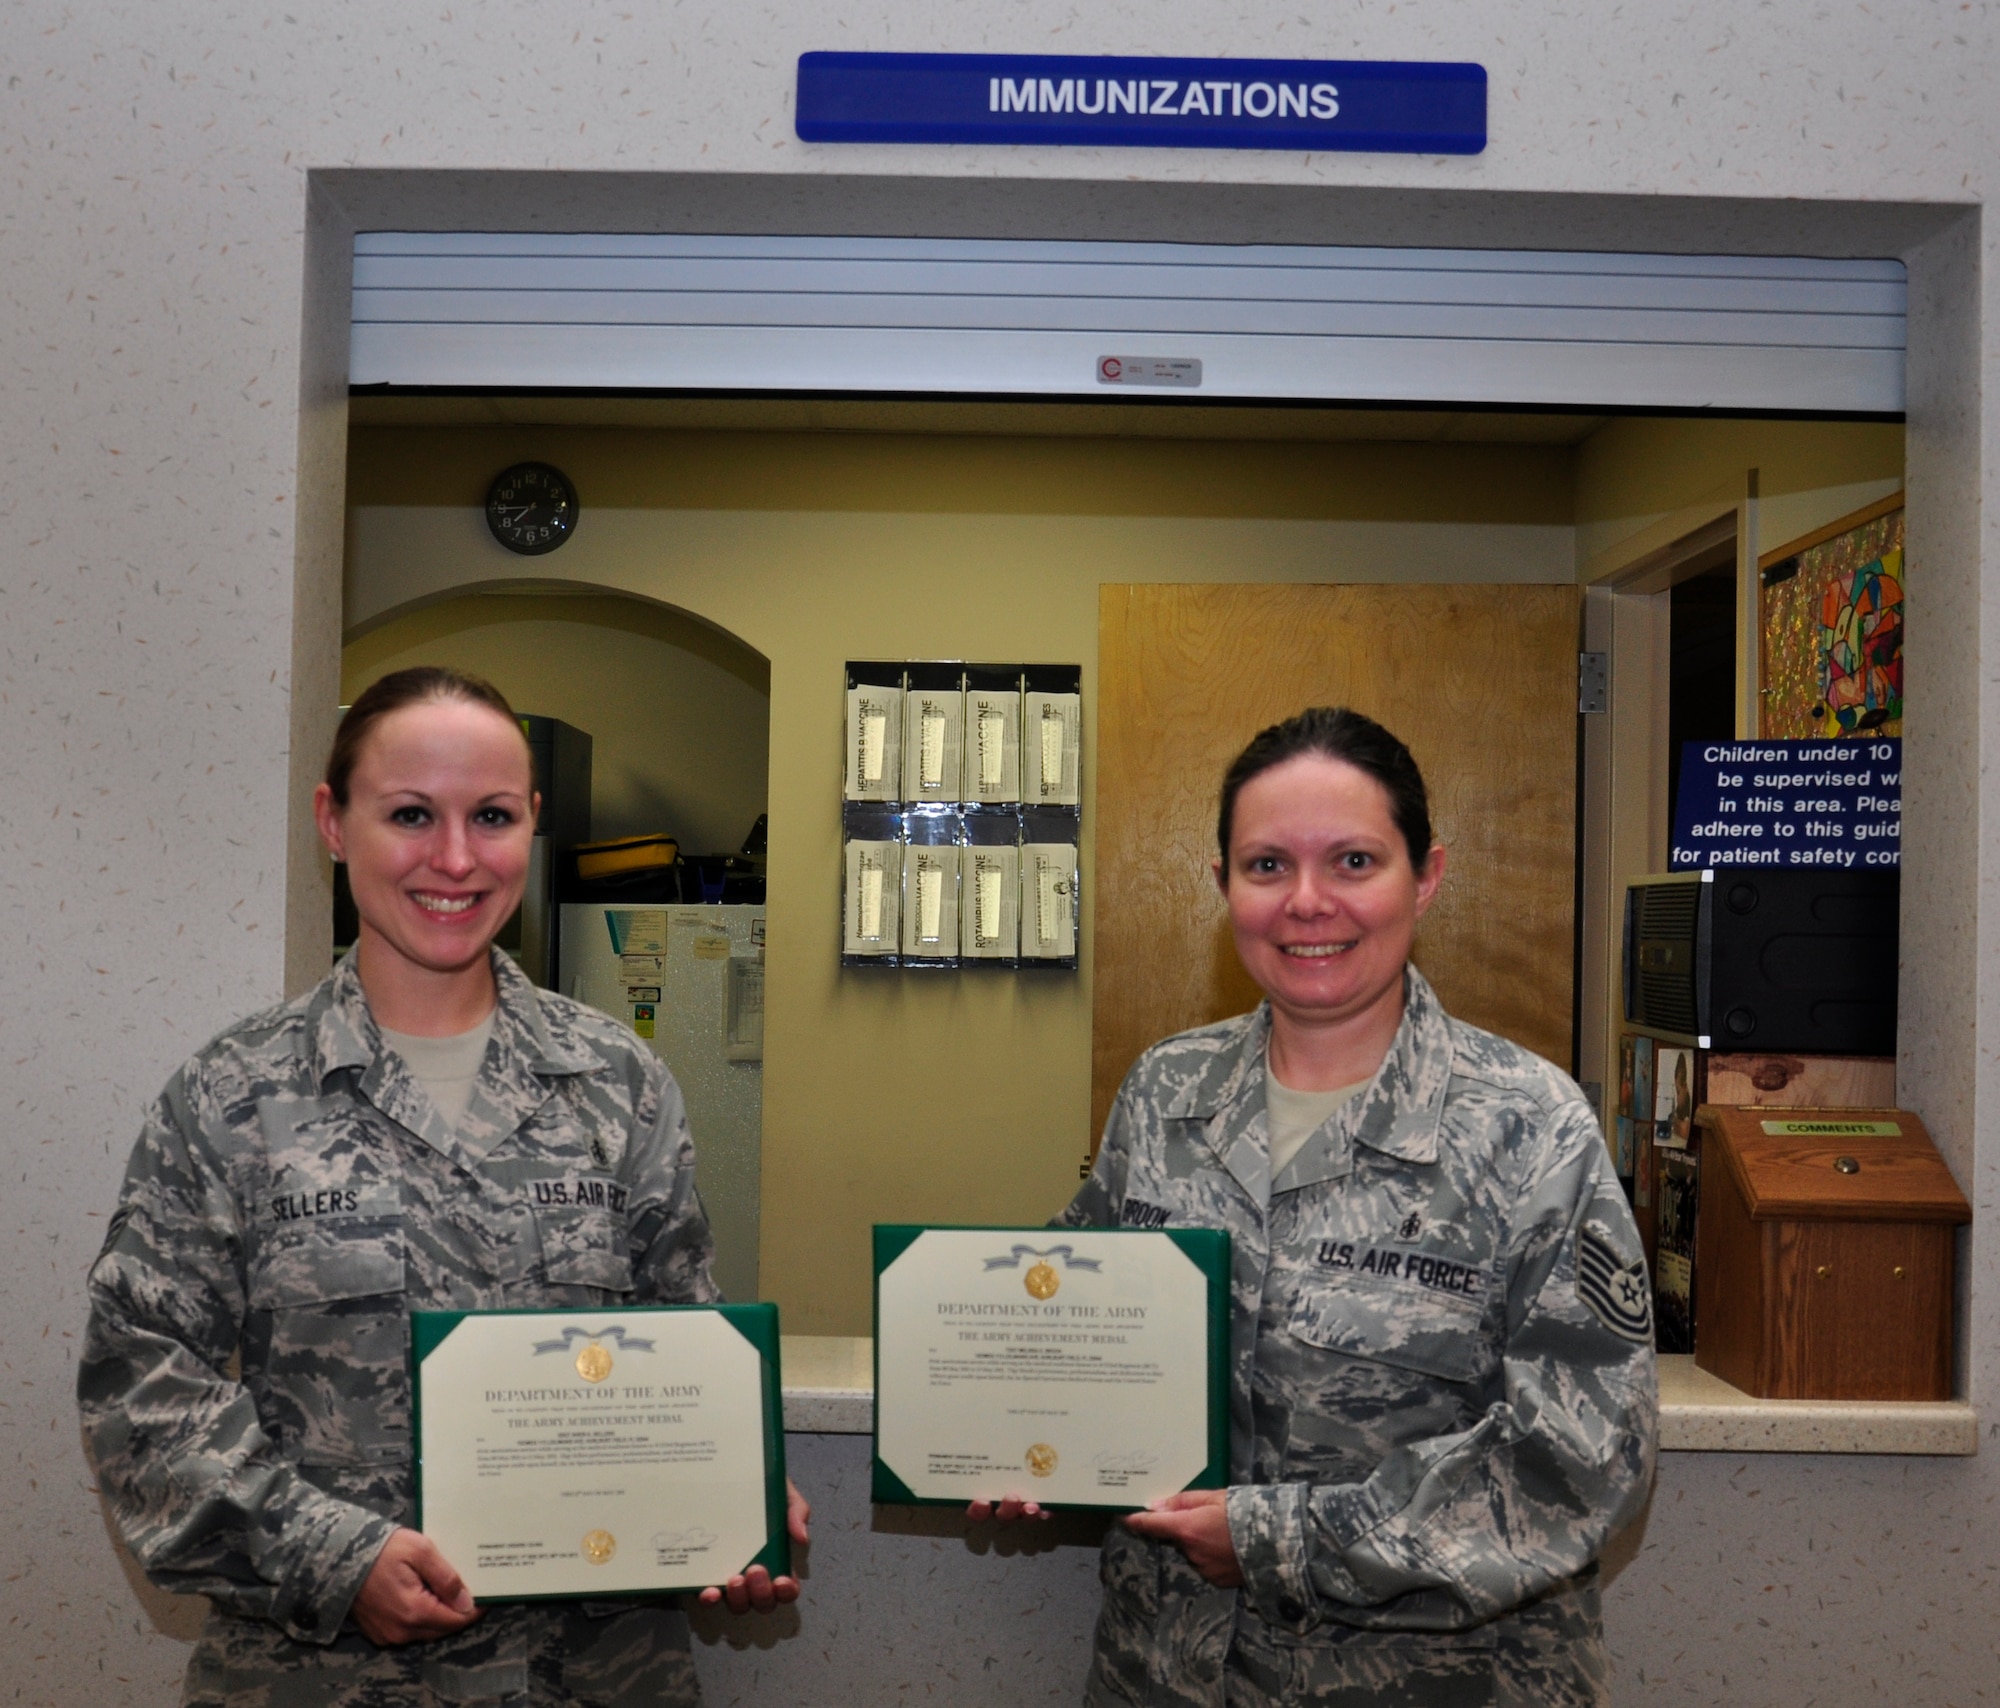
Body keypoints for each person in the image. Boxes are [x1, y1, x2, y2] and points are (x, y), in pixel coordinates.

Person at [79, 666, 807, 1707]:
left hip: (592, 1678)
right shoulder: (230, 1095)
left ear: (533, 824)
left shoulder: (619, 1083)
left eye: (492, 816)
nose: (456, 859)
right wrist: (334, 1557)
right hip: (323, 1682)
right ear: (334, 823)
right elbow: (139, 1392)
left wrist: (732, 1494)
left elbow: (683, 1347)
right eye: (411, 814)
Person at [984, 706, 1656, 1707]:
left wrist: (1275, 1539)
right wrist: (1015, 1432)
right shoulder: (1166, 1091)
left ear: (1424, 877)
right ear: (1222, 883)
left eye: (1352, 861)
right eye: (1266, 865)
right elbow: (1072, 1317)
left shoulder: (1529, 1130)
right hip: (1162, 1675)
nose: (1306, 902)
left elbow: (1584, 1462)